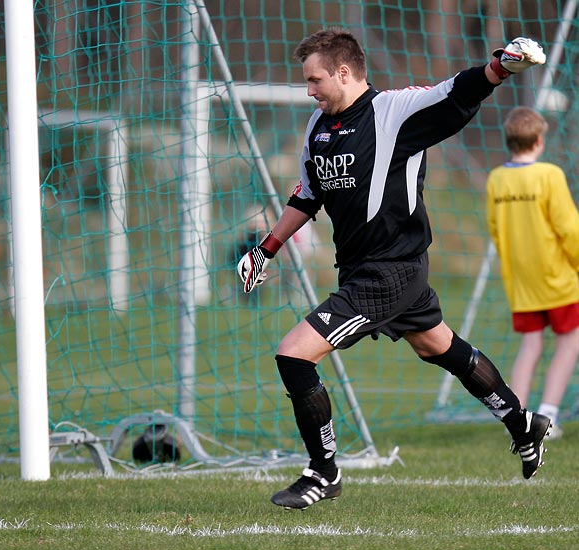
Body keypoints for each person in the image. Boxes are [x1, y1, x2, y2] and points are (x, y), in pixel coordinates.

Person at [236, 29, 550, 510]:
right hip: (362, 270)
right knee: (440, 347)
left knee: (295, 355)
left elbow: (455, 91)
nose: (309, 90)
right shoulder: (317, 128)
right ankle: (523, 423)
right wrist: (268, 248)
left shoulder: (394, 112)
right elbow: (307, 194)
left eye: (315, 79)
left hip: (391, 272)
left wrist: (502, 67)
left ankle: (323, 472)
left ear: (344, 72)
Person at [486, 106, 579, 441]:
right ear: (539, 140)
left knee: (530, 345)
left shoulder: (497, 179)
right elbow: (568, 228)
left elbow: (496, 229)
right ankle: (549, 414)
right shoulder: (549, 175)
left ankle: (517, 419)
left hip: (522, 281)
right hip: (557, 278)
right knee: (570, 340)